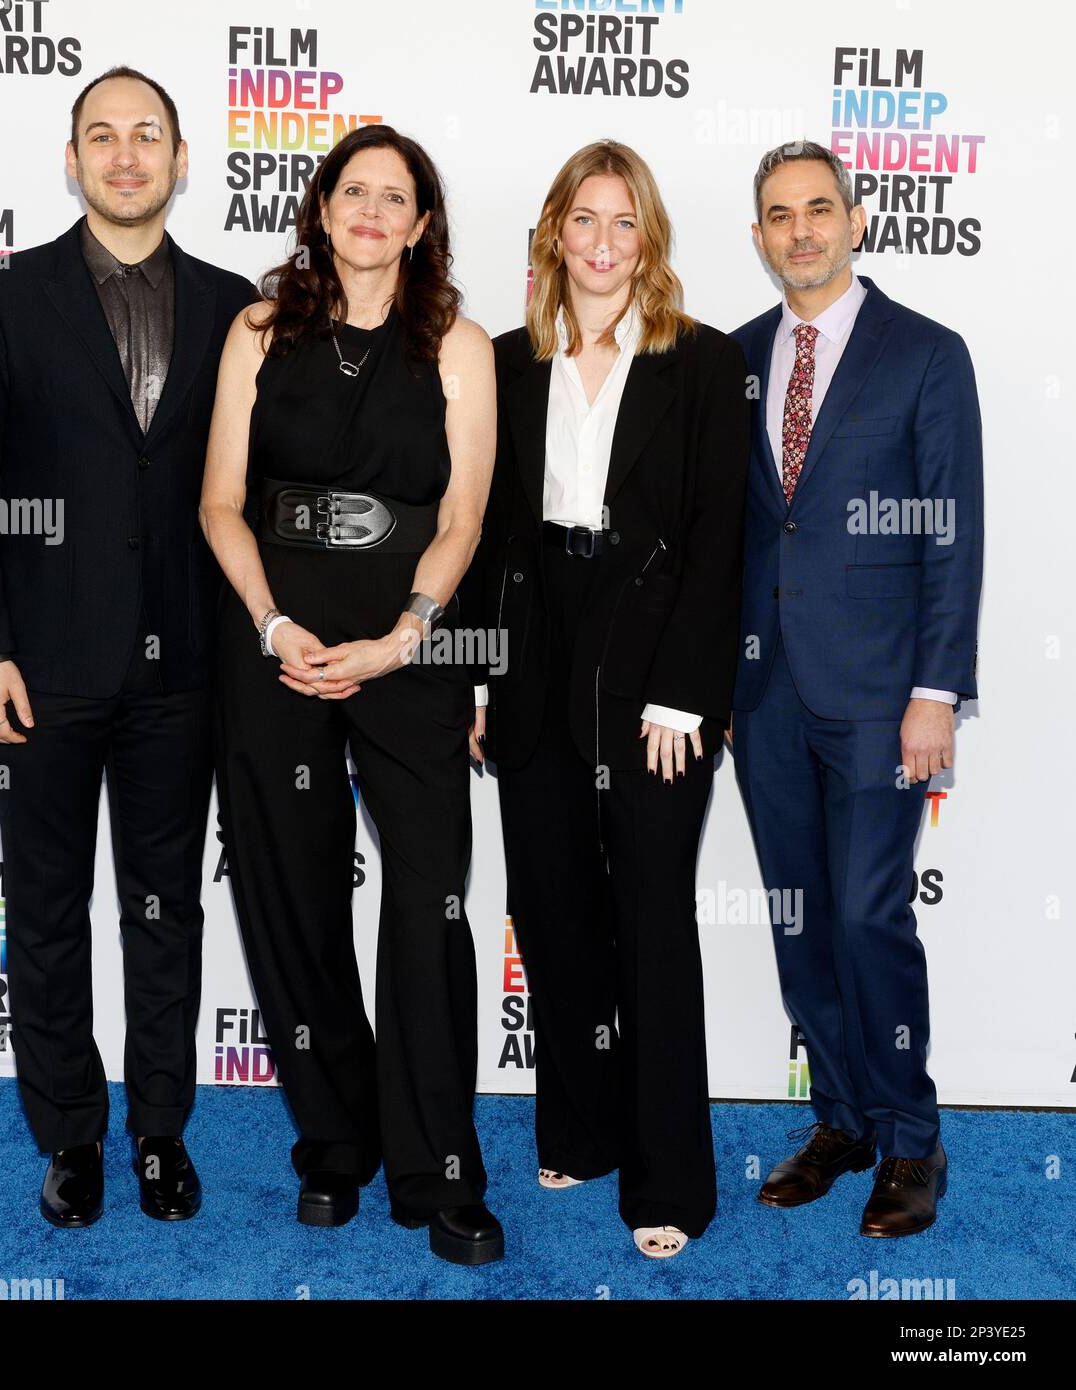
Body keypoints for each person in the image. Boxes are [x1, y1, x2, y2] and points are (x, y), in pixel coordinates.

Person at [0, 67, 257, 1227]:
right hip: (42, 671)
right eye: (102, 137)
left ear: (179, 157)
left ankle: (161, 1131)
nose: (125, 156)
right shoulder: (2, 295)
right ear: (72, 160)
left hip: (184, 673)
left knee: (166, 907)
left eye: (146, 136)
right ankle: (70, 1133)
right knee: (47, 913)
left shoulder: (236, 308)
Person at [200, 125, 500, 1265]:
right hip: (272, 629)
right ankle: (337, 1132)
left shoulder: (457, 346)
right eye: (353, 191)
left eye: (396, 197)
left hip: (409, 634)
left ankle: (441, 1158)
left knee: (428, 897)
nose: (372, 211)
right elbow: (222, 499)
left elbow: (464, 516)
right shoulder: (258, 330)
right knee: (289, 883)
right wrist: (274, 622)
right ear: (322, 208)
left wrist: (402, 637)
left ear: (422, 224)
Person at [464, 140, 750, 1259]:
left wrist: (685, 693)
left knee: (649, 920)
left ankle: (667, 1173)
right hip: (535, 649)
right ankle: (579, 1130)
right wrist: (486, 671)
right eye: (581, 219)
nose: (599, 241)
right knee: (550, 908)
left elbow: (717, 546)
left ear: (650, 240)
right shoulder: (500, 362)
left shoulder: (705, 364)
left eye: (622, 221)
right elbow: (483, 540)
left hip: (651, 663)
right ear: (550, 234)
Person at [728, 140, 983, 1237]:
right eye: (778, 215)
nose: (800, 231)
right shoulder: (735, 358)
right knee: (800, 920)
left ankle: (908, 1137)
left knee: (868, 913)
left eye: (818, 209)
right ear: (756, 236)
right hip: (763, 693)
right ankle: (838, 1118)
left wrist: (937, 690)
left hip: (883, 695)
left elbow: (950, 531)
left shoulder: (925, 353)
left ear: (855, 219)